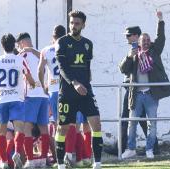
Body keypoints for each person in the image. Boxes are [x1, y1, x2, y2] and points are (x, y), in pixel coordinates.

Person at [0, 33, 35, 169]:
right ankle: (16, 153)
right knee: (19, 129)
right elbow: (29, 77)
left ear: (2, 46)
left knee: (2, 131)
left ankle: (3, 161)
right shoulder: (20, 60)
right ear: (14, 45)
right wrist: (31, 84)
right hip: (17, 99)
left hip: (2, 100)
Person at [120, 11, 170, 159]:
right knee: (132, 123)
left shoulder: (155, 52)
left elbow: (161, 38)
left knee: (152, 125)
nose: (146, 42)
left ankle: (150, 149)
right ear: (139, 42)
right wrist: (129, 56)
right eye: (144, 40)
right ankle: (130, 149)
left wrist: (160, 20)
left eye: (148, 40)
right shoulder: (134, 54)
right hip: (136, 95)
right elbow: (123, 69)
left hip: (151, 94)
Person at [55, 10, 103, 169]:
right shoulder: (61, 42)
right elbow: (62, 68)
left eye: (76, 23)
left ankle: (98, 163)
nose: (73, 26)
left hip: (85, 91)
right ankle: (61, 164)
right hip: (68, 93)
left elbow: (87, 65)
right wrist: (74, 83)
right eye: (71, 23)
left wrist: (87, 79)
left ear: (83, 25)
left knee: (96, 123)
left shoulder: (88, 44)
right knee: (63, 128)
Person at [104, 26, 158, 155]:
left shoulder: (146, 50)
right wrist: (129, 57)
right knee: (131, 119)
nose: (126, 37)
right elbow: (122, 68)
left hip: (138, 90)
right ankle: (125, 147)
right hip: (133, 89)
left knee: (136, 120)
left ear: (136, 36)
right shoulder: (132, 51)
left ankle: (144, 147)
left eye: (129, 35)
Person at [16, 32, 50, 168]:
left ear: (23, 43)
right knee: (43, 128)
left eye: (19, 45)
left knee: (27, 127)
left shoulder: (22, 55)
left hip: (31, 95)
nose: (18, 48)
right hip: (43, 95)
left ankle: (30, 160)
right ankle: (42, 160)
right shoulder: (40, 54)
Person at [38, 25, 66, 167]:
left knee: (56, 125)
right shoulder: (68, 46)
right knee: (70, 123)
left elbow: (40, 71)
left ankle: (58, 156)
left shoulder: (46, 50)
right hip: (67, 89)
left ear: (53, 37)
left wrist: (44, 87)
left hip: (53, 90)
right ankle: (69, 155)